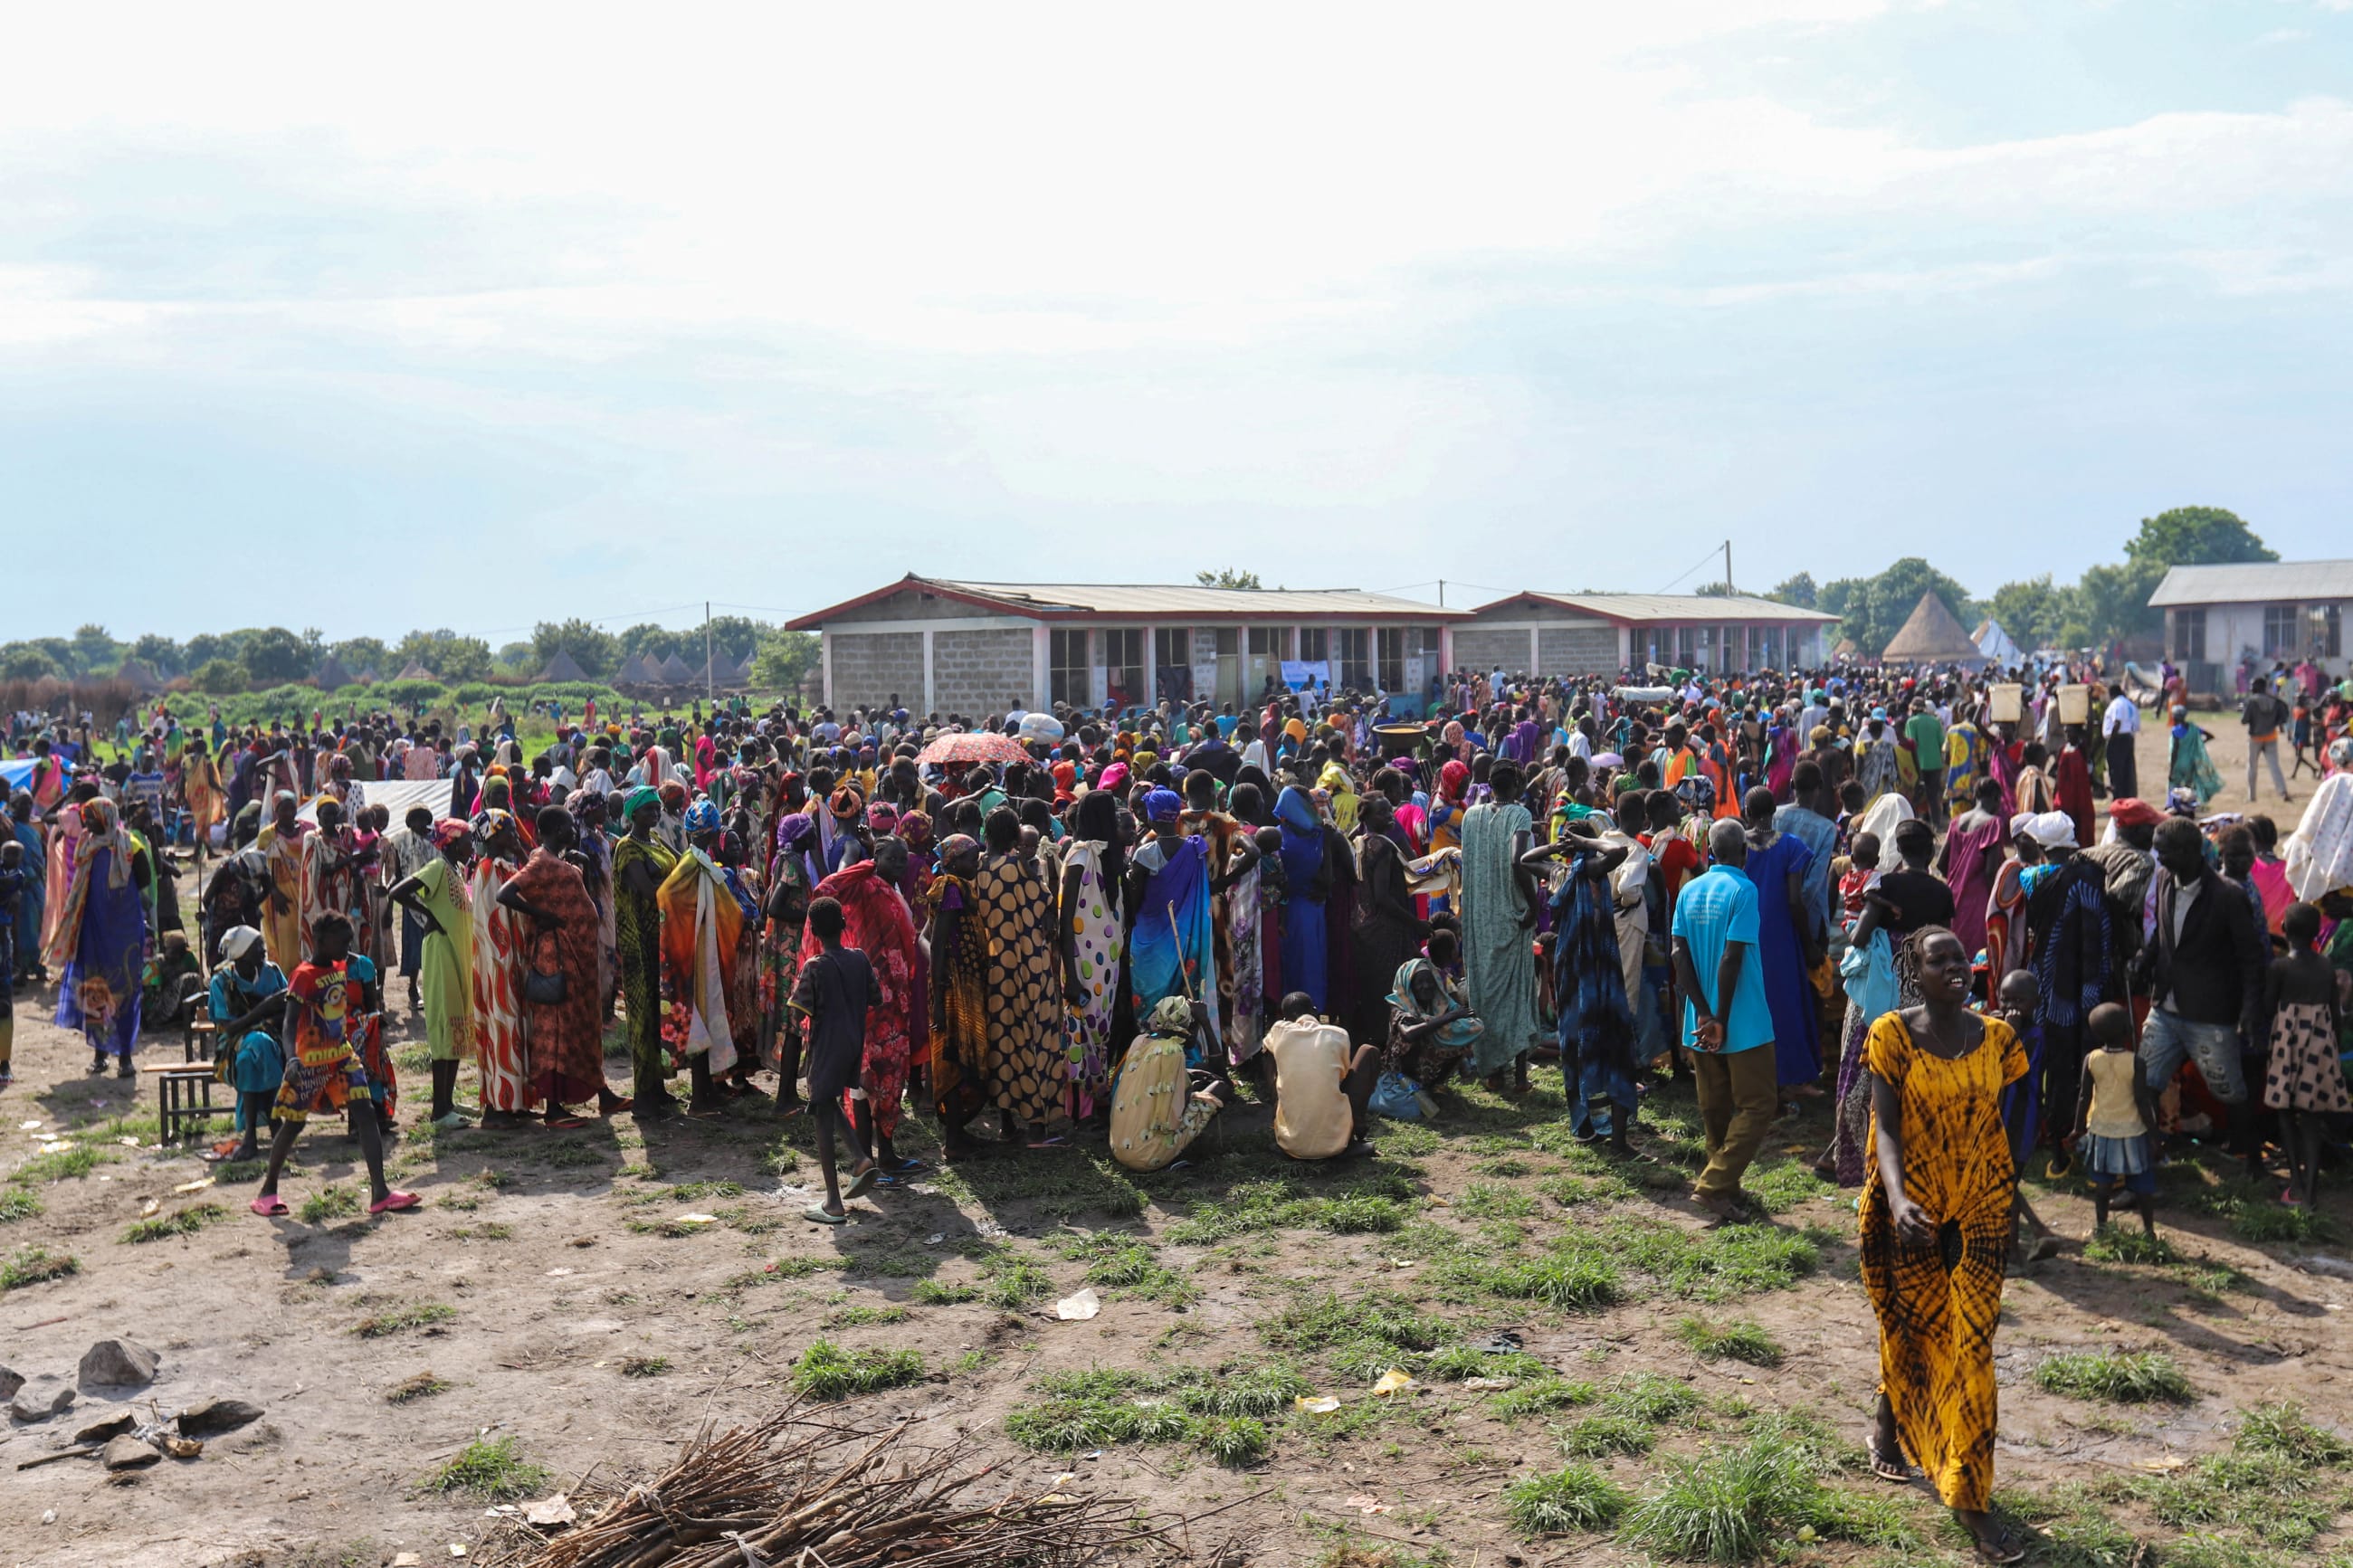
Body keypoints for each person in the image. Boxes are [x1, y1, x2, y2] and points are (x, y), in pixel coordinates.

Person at [1859, 926, 2030, 1564]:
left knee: (1973, 1347)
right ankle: (1888, 1422)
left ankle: (1970, 1496)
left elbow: (1998, 1123)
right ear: (1916, 969)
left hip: (1981, 1205)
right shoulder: (1892, 1035)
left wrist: (2010, 1195)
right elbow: (1888, 1129)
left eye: (1961, 957)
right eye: (1941, 960)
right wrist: (1900, 1198)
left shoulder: (1998, 1039)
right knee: (1912, 1326)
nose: (1957, 967)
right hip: (1909, 1206)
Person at [243, 912, 420, 1220]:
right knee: (294, 1124)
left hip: (341, 1056)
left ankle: (380, 1192)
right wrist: (292, 1057)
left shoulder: (340, 966)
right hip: (309, 1062)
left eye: (350, 941)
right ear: (321, 941)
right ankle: (267, 1190)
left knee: (365, 1112)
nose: (348, 948)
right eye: (343, 942)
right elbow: (289, 1023)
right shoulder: (303, 975)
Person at [2134, 816, 2266, 1174]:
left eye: (2164, 852)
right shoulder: (2163, 879)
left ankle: (2251, 1161)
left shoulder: (2227, 896)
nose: (2158, 858)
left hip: (2209, 1014)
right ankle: (2148, 1158)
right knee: (2143, 1082)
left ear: (2190, 852)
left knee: (2230, 1091)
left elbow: (2251, 961)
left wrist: (2250, 1012)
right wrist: (2145, 961)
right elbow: (2162, 935)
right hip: (2165, 1008)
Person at [1672, 819, 1777, 1221]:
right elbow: (1732, 956)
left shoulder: (1689, 890)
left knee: (1713, 1107)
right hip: (1742, 1019)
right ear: (1744, 853)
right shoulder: (1743, 889)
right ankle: (1715, 1185)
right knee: (1759, 1104)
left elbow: (1679, 954)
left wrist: (1701, 1009)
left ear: (1711, 853)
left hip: (1700, 1019)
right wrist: (1721, 1016)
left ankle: (1722, 1187)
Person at [500, 804, 627, 1125]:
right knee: (557, 1031)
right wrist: (546, 918)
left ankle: (603, 1094)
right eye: (570, 826)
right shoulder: (540, 861)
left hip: (579, 958)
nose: (575, 830)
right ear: (558, 830)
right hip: (557, 957)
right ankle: (554, 1110)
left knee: (583, 1026)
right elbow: (506, 893)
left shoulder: (556, 860)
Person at [1525, 817, 1637, 1150]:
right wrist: (1581, 844)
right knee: (1608, 1043)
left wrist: (1561, 847)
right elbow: (1618, 850)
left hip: (1571, 967)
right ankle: (1611, 1135)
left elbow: (1527, 859)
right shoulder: (1588, 871)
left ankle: (1586, 1125)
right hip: (1595, 968)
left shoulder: (1566, 873)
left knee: (1576, 1045)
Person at [976, 805, 1067, 1146]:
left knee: (1003, 1040)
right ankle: (1037, 1127)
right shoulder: (1020, 868)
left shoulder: (978, 868)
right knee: (1037, 1039)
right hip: (1030, 964)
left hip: (996, 967)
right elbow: (1046, 904)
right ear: (1014, 836)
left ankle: (1006, 1123)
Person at [791, 895, 881, 1223]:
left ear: (812, 930)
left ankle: (833, 1202)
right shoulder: (860, 959)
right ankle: (860, 1159)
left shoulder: (814, 967)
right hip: (853, 1046)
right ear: (844, 924)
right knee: (827, 1102)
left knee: (821, 1117)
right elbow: (877, 997)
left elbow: (799, 1008)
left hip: (826, 1048)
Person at [44, 797, 148, 1079]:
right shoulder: (86, 845)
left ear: (107, 817)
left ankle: (125, 1056)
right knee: (95, 987)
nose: (87, 824)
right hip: (93, 927)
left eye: (91, 818)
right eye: (86, 818)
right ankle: (100, 1054)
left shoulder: (130, 845)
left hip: (124, 929)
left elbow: (146, 878)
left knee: (125, 988)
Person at [386, 819, 475, 1127]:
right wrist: (428, 914)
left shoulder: (457, 871)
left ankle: (448, 1101)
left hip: (457, 953)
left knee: (456, 1025)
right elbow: (398, 891)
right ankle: (439, 1110)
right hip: (440, 952)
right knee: (444, 1026)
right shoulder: (438, 868)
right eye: (468, 840)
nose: (472, 846)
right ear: (452, 843)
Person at [1461, 760, 1541, 1091]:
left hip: (1479, 914)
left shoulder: (1470, 816)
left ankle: (1493, 1071)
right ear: (1518, 785)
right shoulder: (1519, 815)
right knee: (1518, 990)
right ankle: (1520, 1077)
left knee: (1485, 991)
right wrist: (1533, 904)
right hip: (1512, 913)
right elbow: (1517, 859)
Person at [2262, 902, 2348, 1207]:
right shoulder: (2325, 966)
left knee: (2286, 1113)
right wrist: (2333, 1052)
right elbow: (2335, 1016)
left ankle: (2295, 1184)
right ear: (2315, 933)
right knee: (2311, 1118)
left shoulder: (2280, 967)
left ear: (2283, 929)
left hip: (2287, 1044)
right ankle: (2311, 1192)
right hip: (2319, 1045)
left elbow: (2268, 1008)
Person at [466, 808, 535, 1128]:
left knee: (513, 1027)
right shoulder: (489, 870)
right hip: (498, 961)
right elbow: (494, 919)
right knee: (501, 1027)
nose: (514, 835)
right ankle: (497, 1107)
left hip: (509, 959)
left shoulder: (502, 867)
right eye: (508, 831)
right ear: (494, 836)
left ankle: (515, 1101)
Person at [1107, 995, 1229, 1172]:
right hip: (1147, 1157)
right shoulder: (1173, 1052)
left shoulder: (1140, 1041)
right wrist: (1206, 1023)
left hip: (1119, 1148)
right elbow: (1170, 1119)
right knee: (1221, 1088)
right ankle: (1171, 1155)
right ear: (1186, 1025)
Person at [2072, 1000, 2158, 1240]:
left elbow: (2084, 1096)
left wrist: (2078, 1128)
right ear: (2127, 1030)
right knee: (2142, 1185)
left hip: (2102, 1130)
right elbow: (2142, 1100)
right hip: (2133, 1132)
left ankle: (2101, 1228)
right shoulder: (2136, 1062)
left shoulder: (2091, 1059)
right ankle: (2149, 1231)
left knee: (2103, 1185)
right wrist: (2154, 1136)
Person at [204, 924, 287, 1161]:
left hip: (277, 1041)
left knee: (257, 1051)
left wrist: (265, 1015)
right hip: (232, 1047)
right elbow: (229, 1028)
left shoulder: (272, 972)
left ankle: (251, 1135)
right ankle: (273, 1124)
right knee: (255, 1049)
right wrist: (264, 1009)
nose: (263, 952)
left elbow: (289, 1010)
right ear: (241, 954)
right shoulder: (222, 982)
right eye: (257, 948)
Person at [1263, 991, 1377, 1159]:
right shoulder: (1338, 1034)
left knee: (1269, 1055)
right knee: (1369, 1052)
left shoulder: (1279, 1031)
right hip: (1336, 1145)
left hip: (1291, 1145)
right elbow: (1342, 1075)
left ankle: (1281, 1117)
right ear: (1315, 1011)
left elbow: (1266, 1050)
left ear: (1285, 1019)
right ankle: (1354, 1132)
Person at [1274, 784, 1333, 1011]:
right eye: (1307, 803)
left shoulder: (1279, 835)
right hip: (1305, 909)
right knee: (1309, 964)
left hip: (1298, 908)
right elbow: (1327, 880)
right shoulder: (1313, 839)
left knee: (1298, 962)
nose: (1312, 806)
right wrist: (1326, 843)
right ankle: (1309, 1010)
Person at [2243, 676, 2291, 804]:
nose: (2251, 688)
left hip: (2255, 738)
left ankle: (2251, 796)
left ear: (2257, 687)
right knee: (2274, 766)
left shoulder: (2252, 702)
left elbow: (2244, 720)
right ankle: (2283, 791)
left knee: (2252, 767)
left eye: (2253, 686)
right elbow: (2284, 717)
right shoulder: (2274, 700)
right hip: (2271, 737)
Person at [2167, 707, 2224, 806]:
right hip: (2191, 762)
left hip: (2179, 763)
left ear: (2175, 717)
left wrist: (2171, 770)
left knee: (2174, 785)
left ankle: (2172, 805)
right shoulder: (2193, 728)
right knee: (2189, 786)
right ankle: (2189, 805)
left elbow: (2174, 751)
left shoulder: (2175, 731)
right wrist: (2199, 743)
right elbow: (2210, 736)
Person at [2101, 686, 2140, 803]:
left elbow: (2117, 722)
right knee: (2127, 769)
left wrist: (2111, 739)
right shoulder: (2131, 705)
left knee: (2115, 770)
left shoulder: (2116, 704)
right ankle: (2127, 795)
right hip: (2129, 737)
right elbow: (2136, 726)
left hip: (2117, 739)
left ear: (2111, 694)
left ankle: (2118, 797)